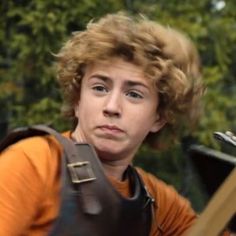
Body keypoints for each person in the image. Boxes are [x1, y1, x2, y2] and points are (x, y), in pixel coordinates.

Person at [0, 12, 224, 236]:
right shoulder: (31, 162)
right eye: (100, 88)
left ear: (159, 117)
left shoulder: (157, 204)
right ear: (78, 100)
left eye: (134, 94)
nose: (112, 106)